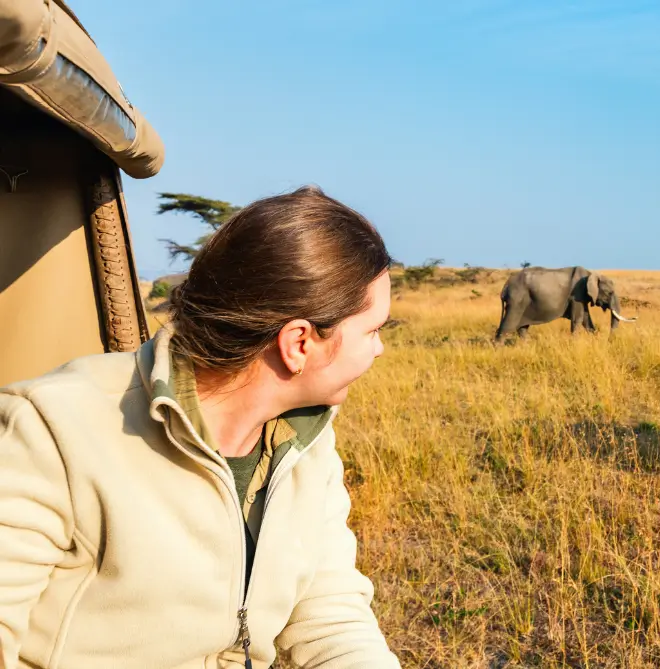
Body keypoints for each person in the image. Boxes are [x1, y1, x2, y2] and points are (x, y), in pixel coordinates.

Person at [0, 186, 401, 668]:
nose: (379, 350)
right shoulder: (52, 431)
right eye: (372, 330)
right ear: (299, 343)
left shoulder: (305, 444)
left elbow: (330, 617)